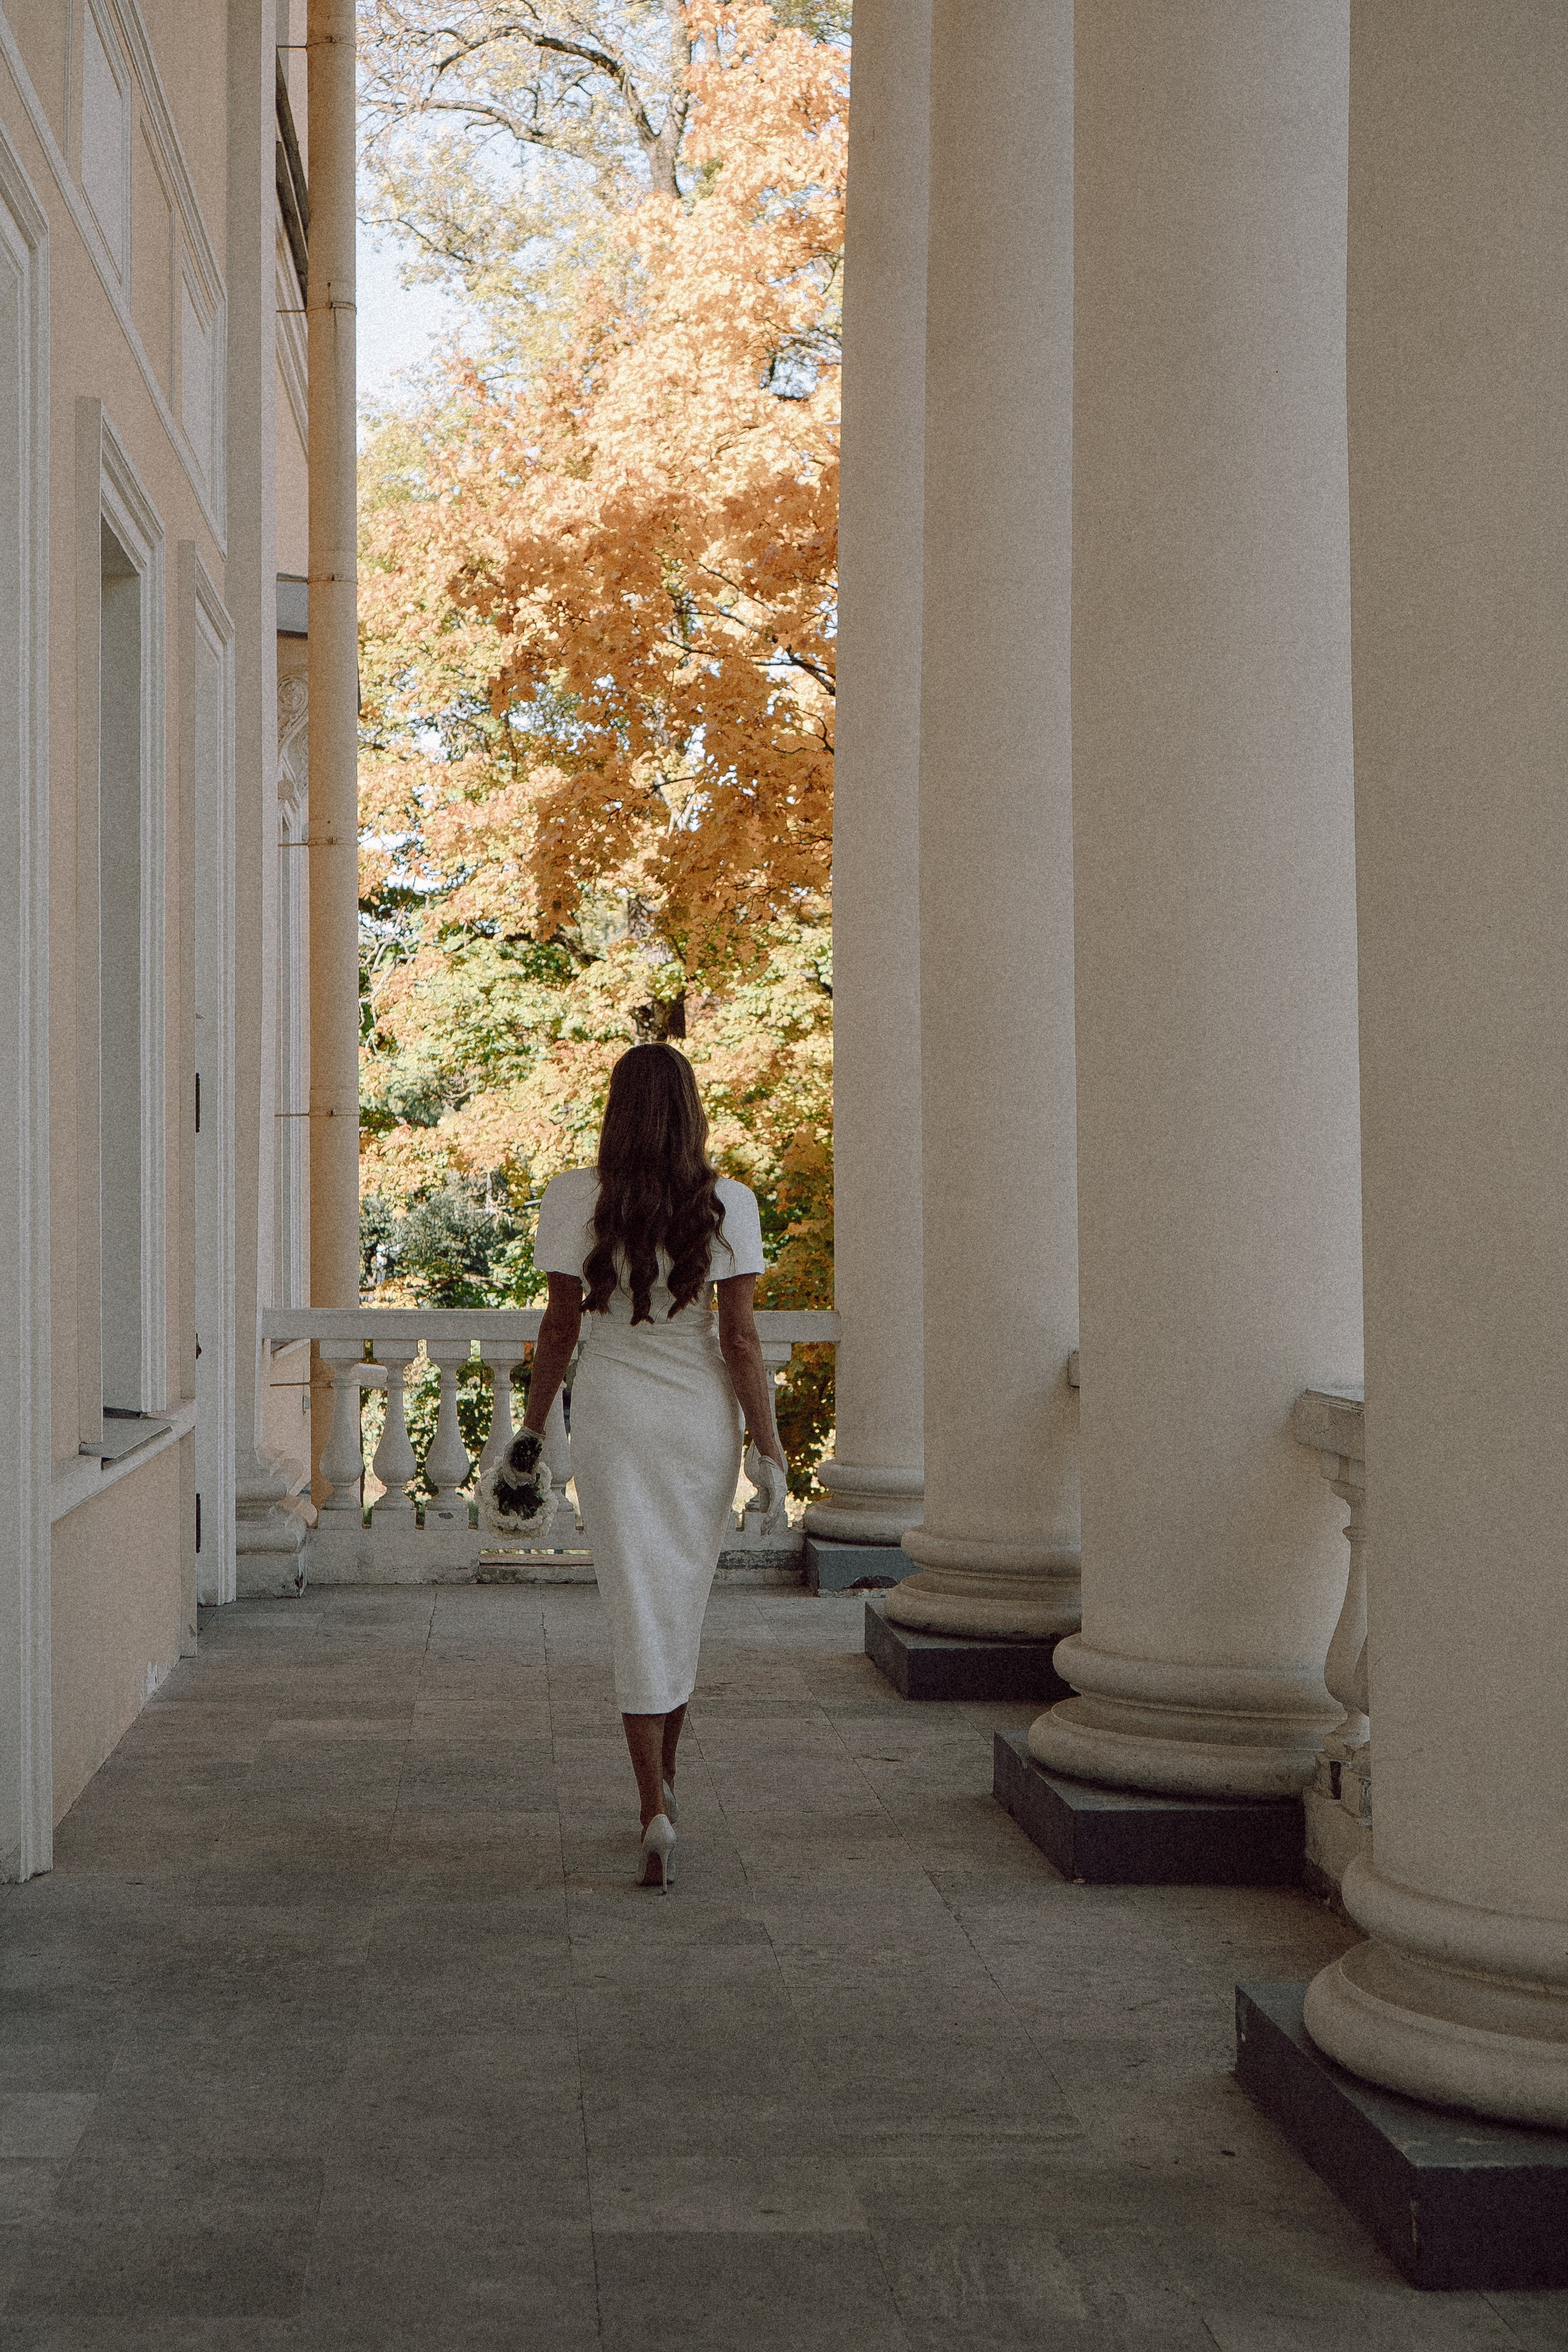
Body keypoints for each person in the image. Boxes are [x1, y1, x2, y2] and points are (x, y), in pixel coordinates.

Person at [520, 1044, 790, 1891]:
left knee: (634, 1603)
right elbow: (740, 1340)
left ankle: (652, 1804)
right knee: (678, 1602)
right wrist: (769, 1445)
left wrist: (532, 1428)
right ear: (691, 1112)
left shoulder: (574, 1198)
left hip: (613, 1416)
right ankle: (665, 1787)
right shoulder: (730, 1203)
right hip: (697, 1421)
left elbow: (559, 1328)